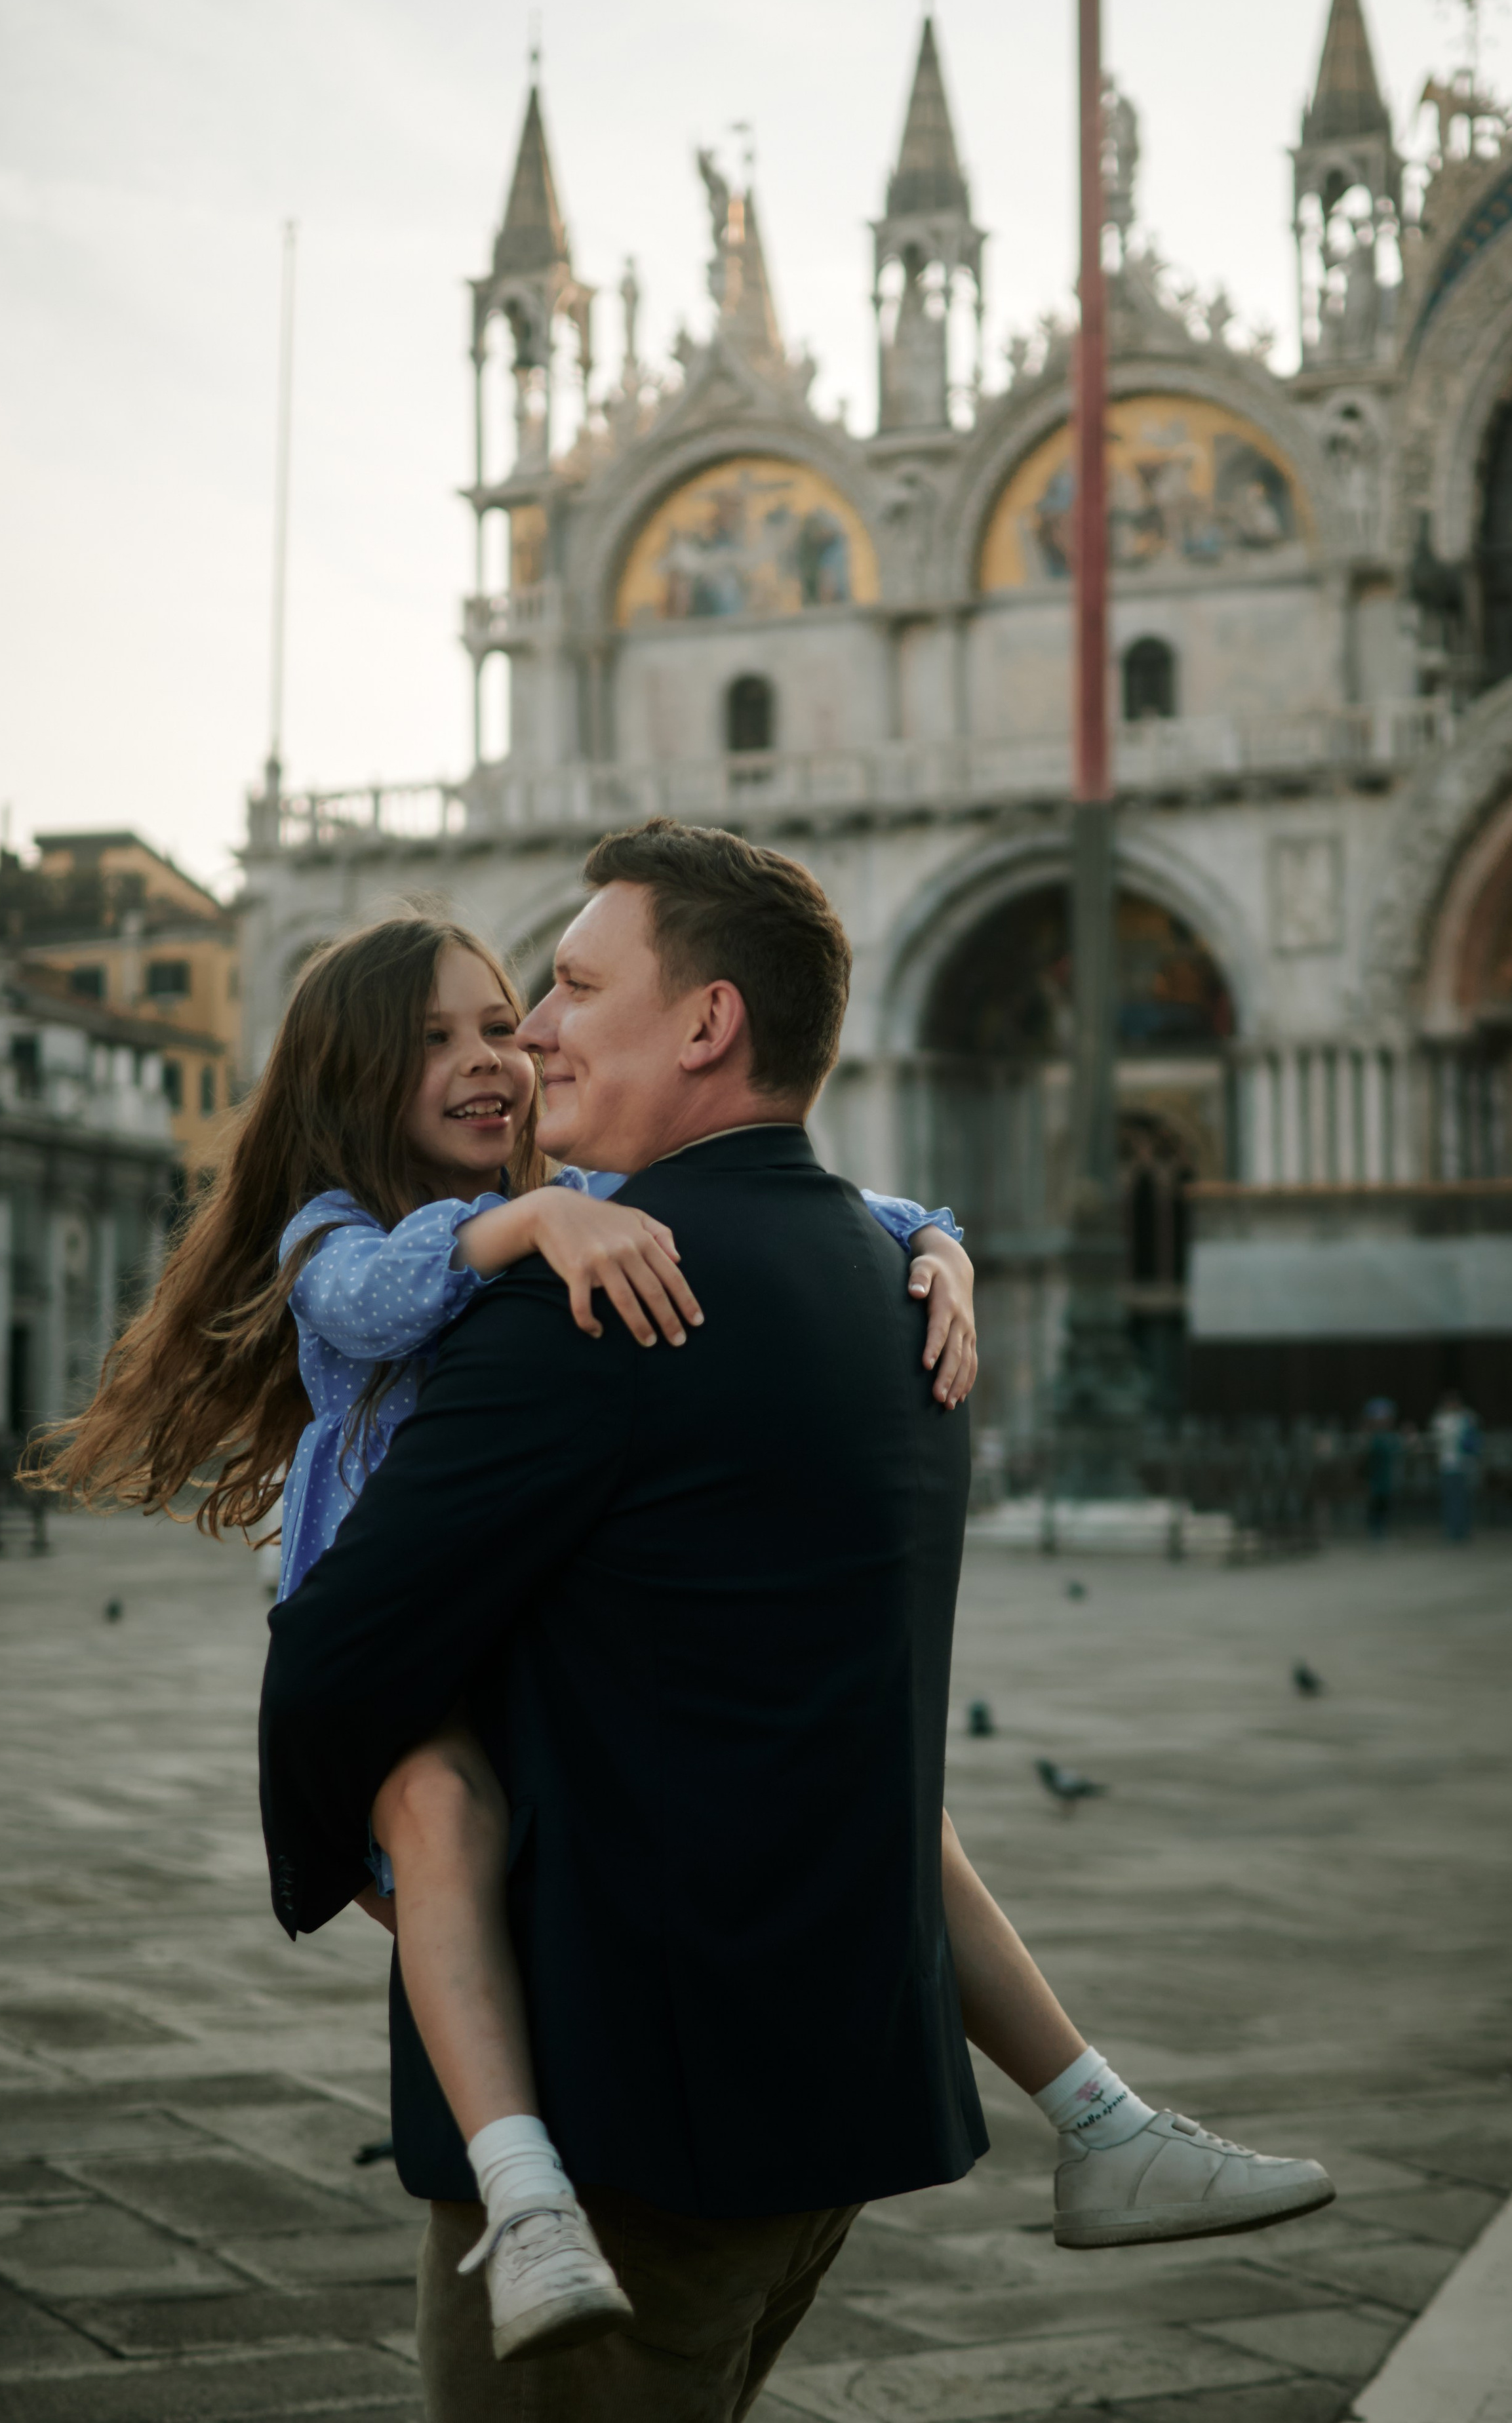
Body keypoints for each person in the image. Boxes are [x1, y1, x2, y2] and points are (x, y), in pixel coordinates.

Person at [257, 824, 1333, 2420]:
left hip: (627, 2109)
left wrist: (340, 1854)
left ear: (704, 1023)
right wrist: (927, 1234)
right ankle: (1097, 2112)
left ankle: (528, 2173)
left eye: (556, 989)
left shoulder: (597, 1297)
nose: (528, 1035)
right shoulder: (879, 1278)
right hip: (828, 2085)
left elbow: (337, 1659)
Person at [32, 908, 976, 2359]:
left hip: (510, 1649)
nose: (500, 1052)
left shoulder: (576, 1200)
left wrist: (931, 1245)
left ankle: (1096, 2103)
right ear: (352, 1080)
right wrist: (526, 1221)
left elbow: (827, 1204)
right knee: (437, 1815)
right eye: (436, 1042)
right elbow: (376, 1294)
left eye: (504, 1020)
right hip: (400, 1636)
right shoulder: (341, 1235)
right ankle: (523, 2193)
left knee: (910, 1810)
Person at [1432, 1389, 1481, 1543]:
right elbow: (1439, 1439)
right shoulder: (1441, 1419)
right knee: (1450, 1499)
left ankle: (1463, 1530)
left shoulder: (1467, 1417)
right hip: (1448, 1464)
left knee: (1464, 1498)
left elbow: (1473, 1437)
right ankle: (1452, 1530)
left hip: (1464, 1464)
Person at [1362, 1397, 1402, 1542]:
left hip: (1386, 1481)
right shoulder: (1374, 1439)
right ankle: (1376, 1534)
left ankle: (1381, 1533)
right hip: (1376, 1481)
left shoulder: (1389, 1437)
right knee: (1376, 1507)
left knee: (1385, 1506)